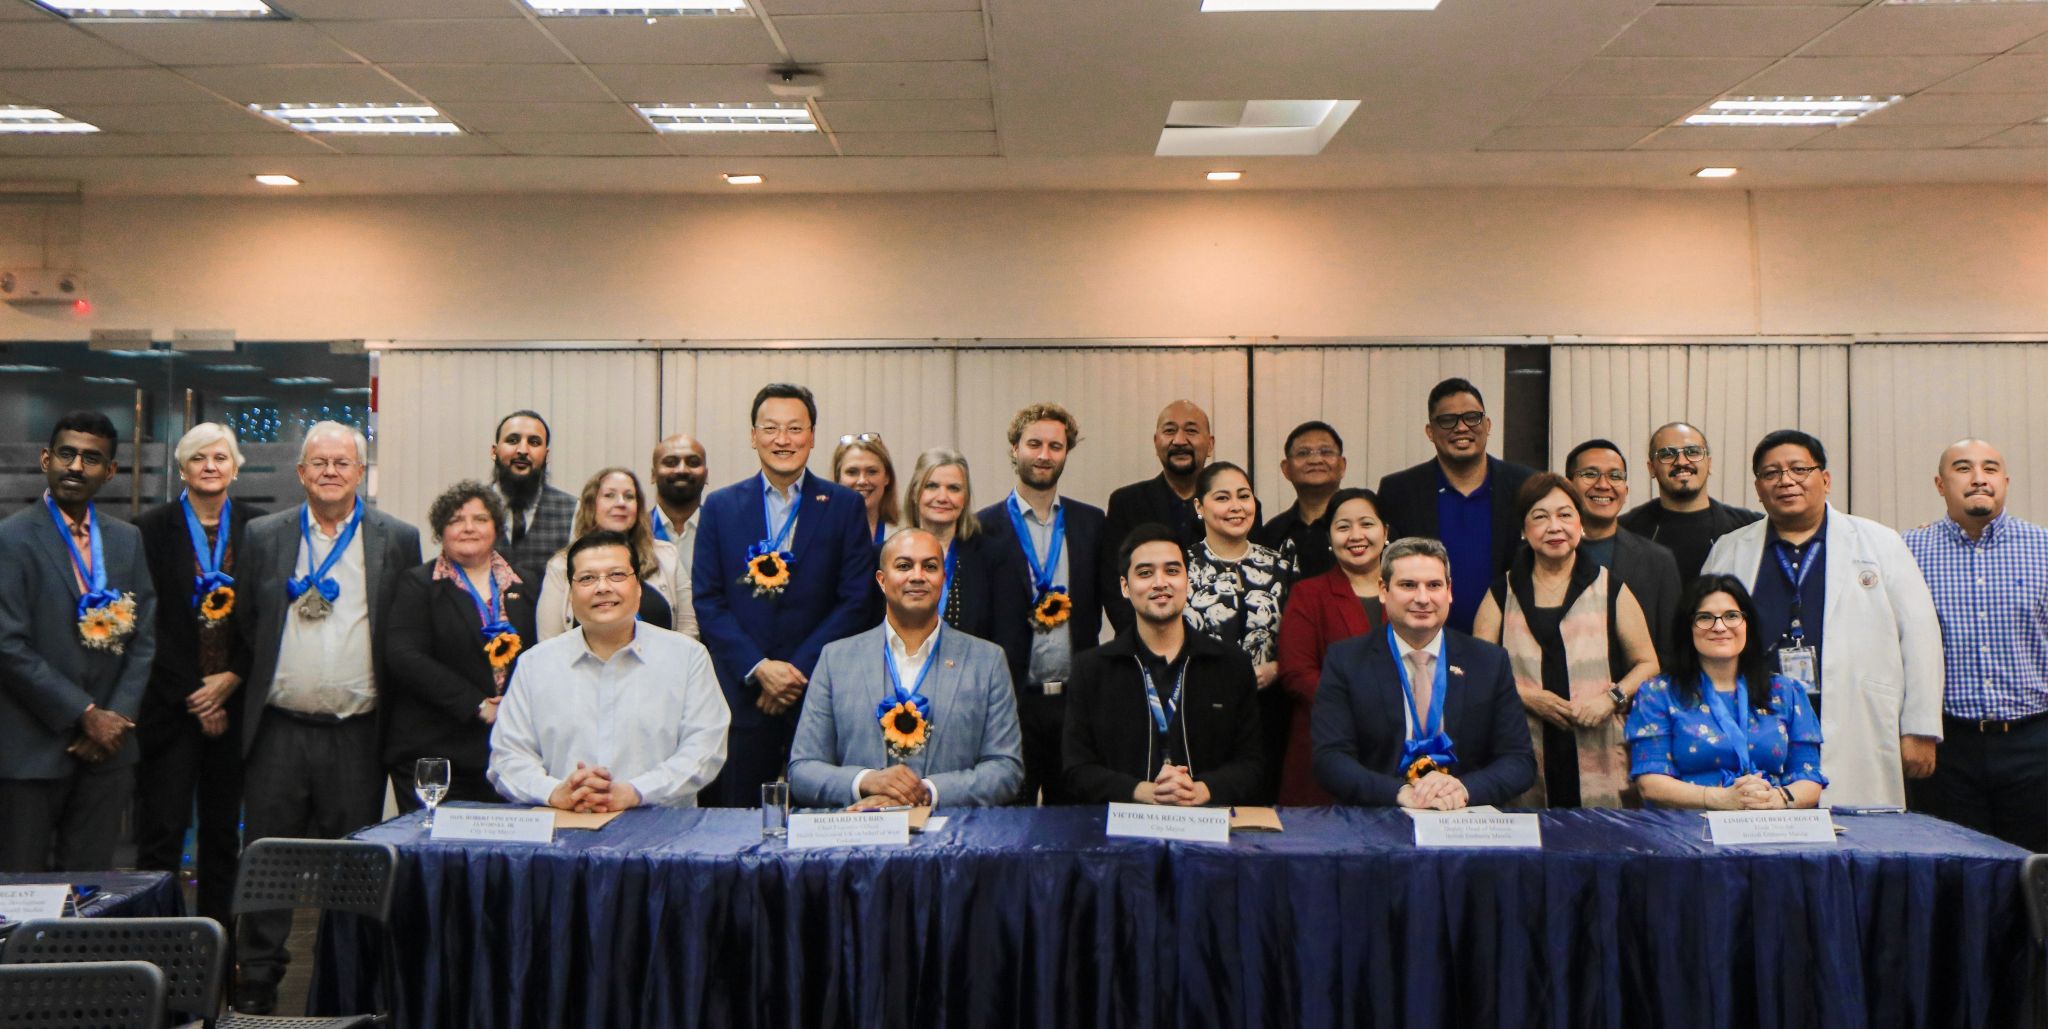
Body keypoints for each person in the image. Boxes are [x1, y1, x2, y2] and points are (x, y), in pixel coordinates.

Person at [233, 421, 421, 1013]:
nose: (331, 471)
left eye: (344, 463)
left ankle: (346, 985)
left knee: (350, 868)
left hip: (357, 734)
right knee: (268, 865)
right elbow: (246, 624)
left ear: (361, 474)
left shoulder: (397, 536)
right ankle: (257, 986)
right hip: (279, 731)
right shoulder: (264, 534)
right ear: (301, 473)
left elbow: (402, 628)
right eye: (320, 463)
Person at [1702, 429, 1943, 808]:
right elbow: (1703, 634)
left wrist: (1920, 728)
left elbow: (1921, 636)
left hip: (1856, 719)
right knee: (1763, 834)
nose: (1786, 481)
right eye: (1772, 473)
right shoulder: (1731, 549)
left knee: (1857, 842)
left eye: (1799, 469)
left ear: (1825, 480)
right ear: (1759, 488)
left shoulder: (1880, 543)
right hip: (1758, 722)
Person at [693, 383, 874, 807]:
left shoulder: (844, 505)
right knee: (736, 819)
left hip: (817, 690)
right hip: (742, 694)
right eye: (771, 428)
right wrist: (759, 668)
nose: (783, 440)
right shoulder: (720, 507)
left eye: (795, 428)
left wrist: (794, 671)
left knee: (821, 817)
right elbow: (708, 599)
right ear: (753, 436)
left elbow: (855, 600)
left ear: (812, 437)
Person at [0, 411, 157, 873]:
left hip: (107, 754)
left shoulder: (127, 540)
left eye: (92, 458)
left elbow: (144, 638)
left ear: (109, 472)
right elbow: (7, 644)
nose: (76, 466)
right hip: (30, 749)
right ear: (46, 459)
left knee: (90, 893)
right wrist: (85, 715)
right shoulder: (10, 539)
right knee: (19, 895)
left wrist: (116, 718)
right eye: (66, 454)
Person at [491, 530, 731, 810]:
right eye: (587, 578)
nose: (602, 587)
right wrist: (555, 792)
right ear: (570, 593)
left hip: (663, 836)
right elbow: (507, 757)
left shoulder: (687, 657)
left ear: (639, 587)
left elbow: (705, 748)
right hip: (562, 832)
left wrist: (635, 792)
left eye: (617, 575)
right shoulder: (536, 664)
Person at [788, 529, 1024, 809]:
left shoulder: (987, 661)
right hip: (859, 838)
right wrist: (866, 782)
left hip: (956, 841)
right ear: (882, 580)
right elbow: (802, 771)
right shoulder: (835, 659)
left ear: (943, 580)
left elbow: (1007, 770)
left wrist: (926, 791)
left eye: (930, 567)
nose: (917, 576)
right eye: (903, 566)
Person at [133, 422, 263, 925]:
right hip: (169, 706)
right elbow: (147, 621)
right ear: (181, 468)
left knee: (222, 835)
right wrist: (196, 693)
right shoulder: (149, 529)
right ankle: (150, 945)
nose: (210, 467)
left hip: (236, 703)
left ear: (234, 467)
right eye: (198, 459)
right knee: (161, 834)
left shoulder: (258, 529)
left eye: (220, 458)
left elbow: (264, 618)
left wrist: (230, 679)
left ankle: (218, 948)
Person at [1472, 473, 1659, 808]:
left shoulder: (1610, 587)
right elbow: (1478, 674)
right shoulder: (1502, 592)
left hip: (1599, 745)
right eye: (1540, 517)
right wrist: (1528, 696)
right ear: (1524, 530)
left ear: (1581, 525)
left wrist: (1611, 698)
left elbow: (1648, 664)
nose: (1554, 526)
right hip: (1522, 748)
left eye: (1565, 514)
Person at [1311, 537, 1536, 808]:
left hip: (1466, 817)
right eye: (1408, 585)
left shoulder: (1488, 662)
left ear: (1449, 591)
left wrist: (1464, 789)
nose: (1422, 598)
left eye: (1434, 585)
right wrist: (1402, 793)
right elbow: (1330, 759)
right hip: (1379, 817)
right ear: (1383, 590)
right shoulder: (1345, 661)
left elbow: (1519, 760)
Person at [1903, 439, 2048, 851]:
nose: (1978, 478)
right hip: (1948, 748)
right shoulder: (1907, 551)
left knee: (2035, 871)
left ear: (2005, 480)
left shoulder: (2043, 548)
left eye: (1990, 468)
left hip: (2034, 743)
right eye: (1963, 468)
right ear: (1940, 483)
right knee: (1958, 870)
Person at [1063, 523, 1263, 807]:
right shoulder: (1092, 670)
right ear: (1125, 587)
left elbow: (1251, 764)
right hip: (1123, 833)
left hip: (1209, 830)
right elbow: (1077, 769)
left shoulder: (1231, 666)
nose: (1160, 583)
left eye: (1172, 571)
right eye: (1145, 573)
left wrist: (1203, 789)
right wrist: (1142, 791)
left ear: (1188, 580)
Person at [976, 403, 1106, 805]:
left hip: (1075, 702)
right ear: (1015, 448)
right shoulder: (982, 527)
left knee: (1075, 823)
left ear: (1067, 453)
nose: (1044, 454)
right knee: (1010, 822)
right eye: (1034, 443)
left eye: (1056, 445)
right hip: (1011, 702)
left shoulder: (1091, 522)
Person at [384, 480, 539, 808]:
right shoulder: (419, 584)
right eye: (456, 520)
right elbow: (404, 656)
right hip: (434, 755)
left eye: (480, 519)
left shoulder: (527, 585)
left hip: (509, 754)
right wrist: (478, 705)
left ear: (496, 528)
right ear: (441, 531)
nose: (469, 528)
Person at [1624, 575, 1826, 809]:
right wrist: (1721, 799)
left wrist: (1777, 799)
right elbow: (1650, 784)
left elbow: (1809, 778)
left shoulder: (1786, 691)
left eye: (1732, 616)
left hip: (1769, 825)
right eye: (1705, 618)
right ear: (1687, 627)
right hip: (1686, 834)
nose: (1719, 627)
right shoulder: (1657, 693)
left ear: (1747, 624)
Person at [1374, 378, 1536, 633]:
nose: (1462, 428)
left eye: (1472, 417)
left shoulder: (1525, 485)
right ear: (1430, 431)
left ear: (1488, 425)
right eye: (1448, 420)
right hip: (1424, 641)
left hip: (1510, 642)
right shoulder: (1399, 491)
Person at [1182, 461, 1296, 802]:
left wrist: (1278, 667)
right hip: (1197, 707)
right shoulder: (1180, 565)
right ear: (1199, 507)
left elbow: (1298, 637)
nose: (1236, 506)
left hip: (1266, 711)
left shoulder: (1281, 565)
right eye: (1222, 497)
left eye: (1244, 496)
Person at [1102, 400, 1261, 633]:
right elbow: (1113, 583)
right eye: (1169, 431)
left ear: (1210, 444)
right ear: (1156, 442)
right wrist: (1146, 639)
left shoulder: (1241, 509)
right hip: (1145, 642)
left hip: (1223, 642)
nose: (1179, 441)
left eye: (1191, 431)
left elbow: (1251, 575)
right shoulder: (1126, 503)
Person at [1275, 487, 1388, 805]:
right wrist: (1361, 706)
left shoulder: (1407, 591)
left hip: (1398, 748)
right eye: (1343, 526)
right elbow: (1297, 673)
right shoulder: (1309, 595)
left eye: (1366, 524)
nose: (1356, 535)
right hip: (1328, 744)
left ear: (1385, 531)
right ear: (1329, 537)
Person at [1564, 439, 1682, 668]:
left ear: (1625, 491)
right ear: (1567, 486)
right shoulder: (1538, 554)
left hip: (1637, 698)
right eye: (1590, 474)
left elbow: (1671, 651)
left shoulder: (1658, 561)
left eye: (1615, 476)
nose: (1603, 484)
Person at [536, 468, 691, 639]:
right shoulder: (561, 565)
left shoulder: (667, 556)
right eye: (610, 495)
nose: (621, 503)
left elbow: (689, 629)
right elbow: (549, 641)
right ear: (591, 505)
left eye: (629, 496)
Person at [1618, 422, 1762, 583]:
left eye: (1693, 452)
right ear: (1651, 468)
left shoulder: (1750, 528)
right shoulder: (1624, 531)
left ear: (1709, 463)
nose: (1681, 461)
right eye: (1667, 454)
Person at [903, 447, 1013, 641]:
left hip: (972, 669)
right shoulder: (885, 556)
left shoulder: (992, 557)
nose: (942, 497)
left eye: (953, 488)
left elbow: (1006, 638)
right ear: (914, 493)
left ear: (965, 498)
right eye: (931, 486)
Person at [1254, 420, 1347, 579]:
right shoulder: (1273, 533)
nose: (1316, 460)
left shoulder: (1364, 527)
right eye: (1303, 453)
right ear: (1286, 469)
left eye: (1326, 452)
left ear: (1342, 465)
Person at [489, 410, 576, 570]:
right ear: (494, 452)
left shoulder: (573, 510)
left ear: (546, 455)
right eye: (512, 440)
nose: (522, 450)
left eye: (534, 442)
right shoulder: (469, 507)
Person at [833, 432, 901, 547]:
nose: (862, 481)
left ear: (887, 477)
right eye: (852, 472)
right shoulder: (822, 531)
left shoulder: (904, 533)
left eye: (872, 471)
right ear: (838, 478)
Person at [649, 433, 707, 565]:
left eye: (693, 463)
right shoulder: (636, 533)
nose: (682, 470)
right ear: (653, 475)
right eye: (670, 463)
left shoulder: (724, 531)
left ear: (706, 475)